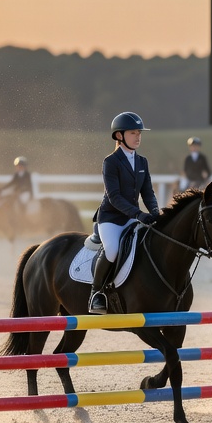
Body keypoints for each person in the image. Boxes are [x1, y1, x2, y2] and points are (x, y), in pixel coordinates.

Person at [89, 112, 159, 312]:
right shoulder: (110, 161)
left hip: (132, 217)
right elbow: (114, 197)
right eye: (133, 133)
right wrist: (138, 214)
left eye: (139, 133)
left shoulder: (142, 161)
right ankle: (96, 293)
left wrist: (155, 211)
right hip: (111, 219)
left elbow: (148, 192)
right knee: (112, 250)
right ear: (119, 135)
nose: (138, 137)